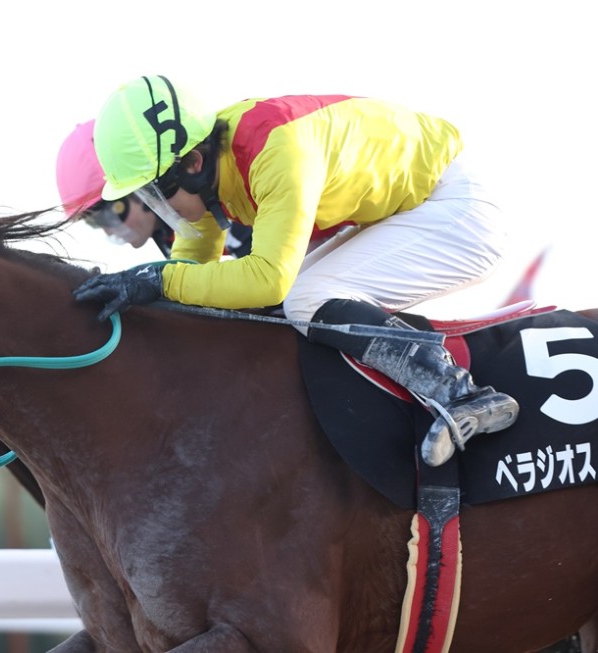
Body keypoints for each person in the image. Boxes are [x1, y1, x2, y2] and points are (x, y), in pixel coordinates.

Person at [73, 75, 518, 467]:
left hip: (457, 213)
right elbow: (192, 261)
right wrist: (145, 295)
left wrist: (159, 279)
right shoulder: (209, 162)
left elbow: (266, 279)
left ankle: (460, 394)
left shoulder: (274, 151)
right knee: (292, 301)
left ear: (193, 164)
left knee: (303, 298)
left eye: (158, 192)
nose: (161, 210)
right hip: (410, 209)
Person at [56, 119, 254, 259]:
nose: (109, 232)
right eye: (95, 223)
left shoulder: (204, 201)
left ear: (140, 189)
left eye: (108, 217)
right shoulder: (166, 234)